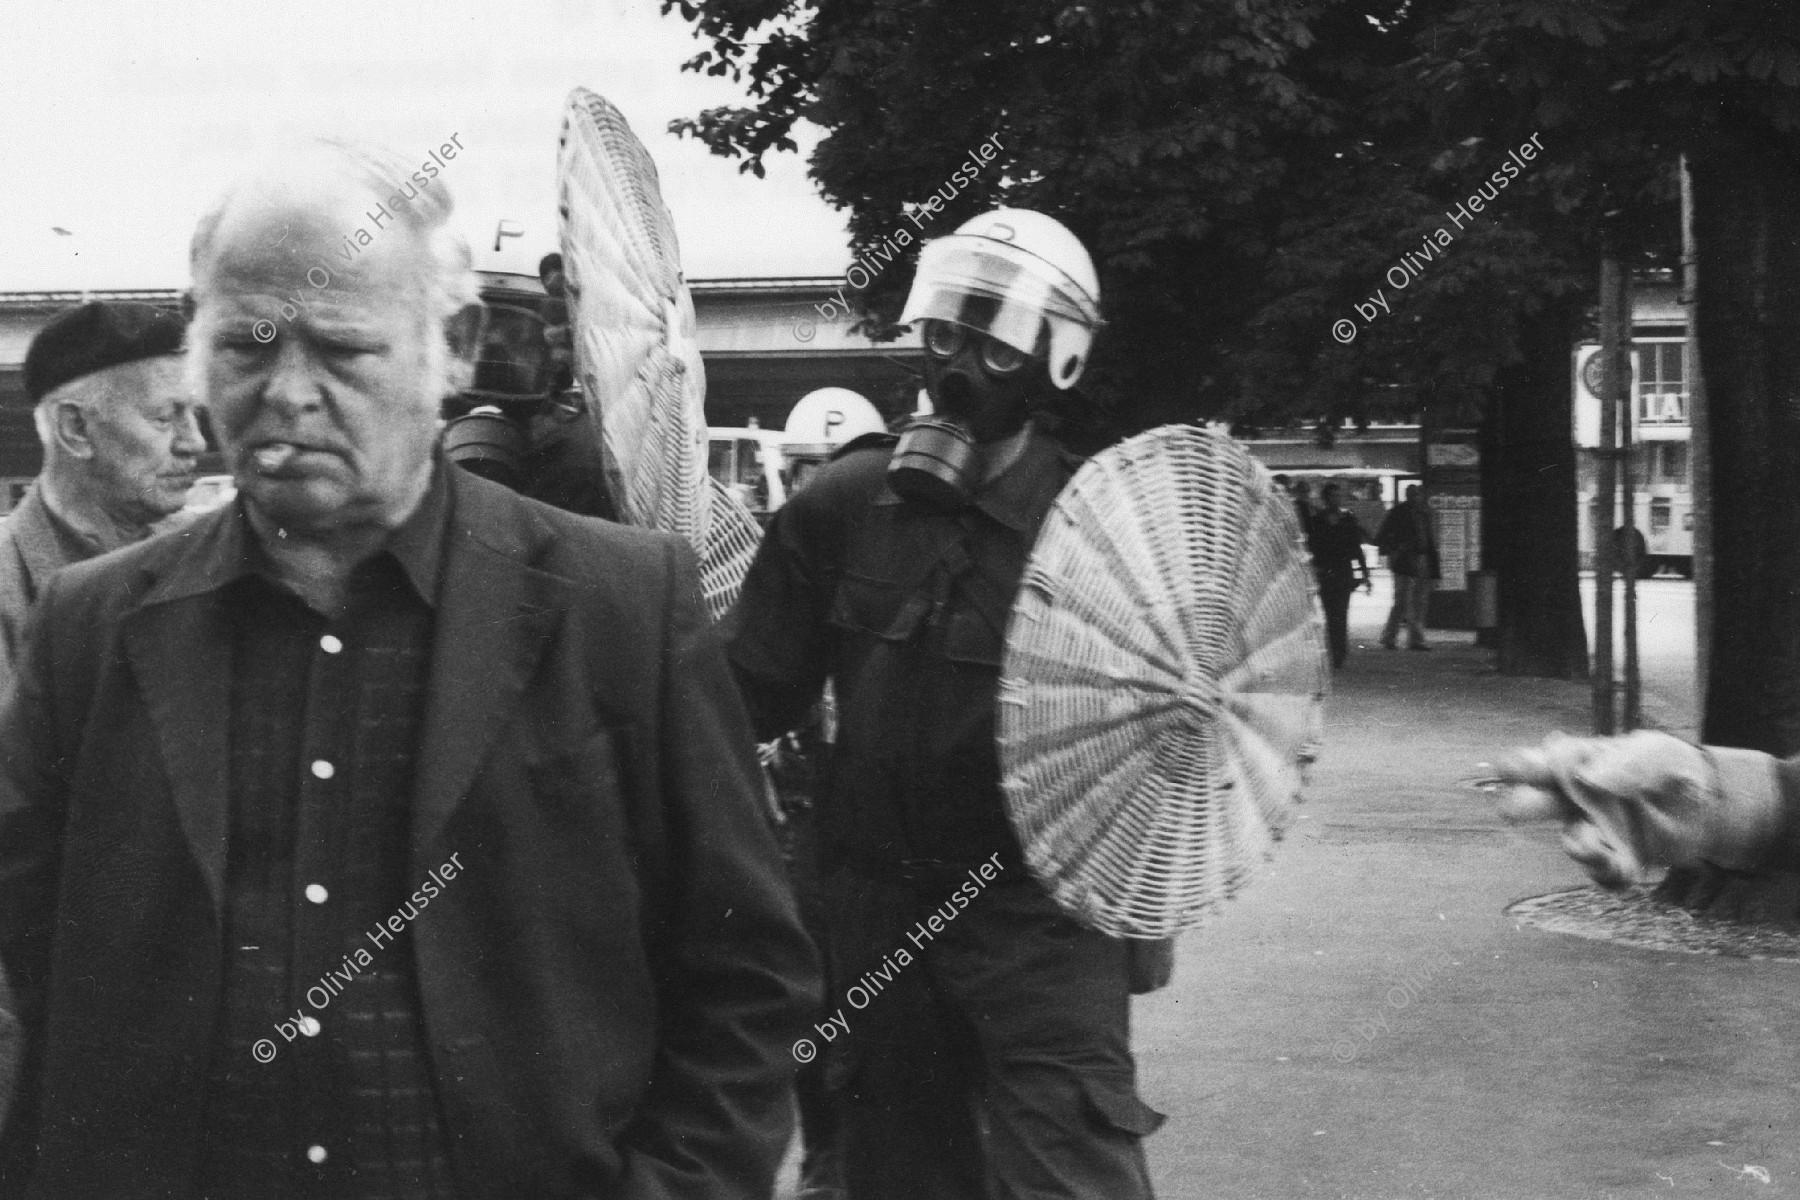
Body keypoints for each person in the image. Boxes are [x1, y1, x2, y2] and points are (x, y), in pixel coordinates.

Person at [0, 139, 816, 1198]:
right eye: (246, 348)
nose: (289, 394)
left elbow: (747, 980)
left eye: (342, 350)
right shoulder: (92, 630)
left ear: (456, 345)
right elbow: (38, 960)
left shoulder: (620, 610)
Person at [723, 208, 1165, 1200]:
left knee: (1073, 1173)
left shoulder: (1098, 526)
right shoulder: (843, 505)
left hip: (1041, 919)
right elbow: (741, 694)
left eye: (996, 341)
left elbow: (1163, 747)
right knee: (900, 1176)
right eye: (944, 333)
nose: (960, 364)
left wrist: (1147, 911)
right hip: (877, 919)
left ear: (1058, 359)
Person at [0, 300, 205, 684]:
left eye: (194, 415)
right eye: (164, 418)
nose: (195, 442)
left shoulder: (207, 551)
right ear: (75, 429)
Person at [1490, 731, 1797, 888]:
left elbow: (1622, 872)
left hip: (1740, 829)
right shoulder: (1621, 764)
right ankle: (1558, 773)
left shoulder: (1595, 819)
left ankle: (1559, 775)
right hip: (1745, 803)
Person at [1308, 483, 1373, 669]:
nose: (1336, 499)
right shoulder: (1317, 520)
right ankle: (1333, 650)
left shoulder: (1347, 520)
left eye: (1338, 496)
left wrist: (1365, 574)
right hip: (1325, 573)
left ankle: (1339, 652)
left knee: (1341, 614)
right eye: (1332, 496)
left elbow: (1356, 548)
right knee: (1330, 615)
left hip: (1343, 572)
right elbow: (1312, 548)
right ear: (1326, 498)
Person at [1376, 483, 1438, 650]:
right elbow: (1382, 537)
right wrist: (1397, 549)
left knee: (1415, 601)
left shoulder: (1420, 513)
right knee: (1404, 600)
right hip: (1406, 561)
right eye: (1412, 494)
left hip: (1417, 560)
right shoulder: (1401, 513)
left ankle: (1409, 638)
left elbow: (1429, 540)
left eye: (1416, 494)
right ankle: (1394, 637)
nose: (1414, 497)